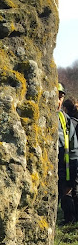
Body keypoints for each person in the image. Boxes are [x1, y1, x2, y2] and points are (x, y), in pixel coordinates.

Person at [58, 87, 78, 224]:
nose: (57, 100)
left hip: (63, 169)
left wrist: (70, 178)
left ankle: (70, 219)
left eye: (60, 97)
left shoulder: (65, 120)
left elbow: (73, 149)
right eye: (55, 96)